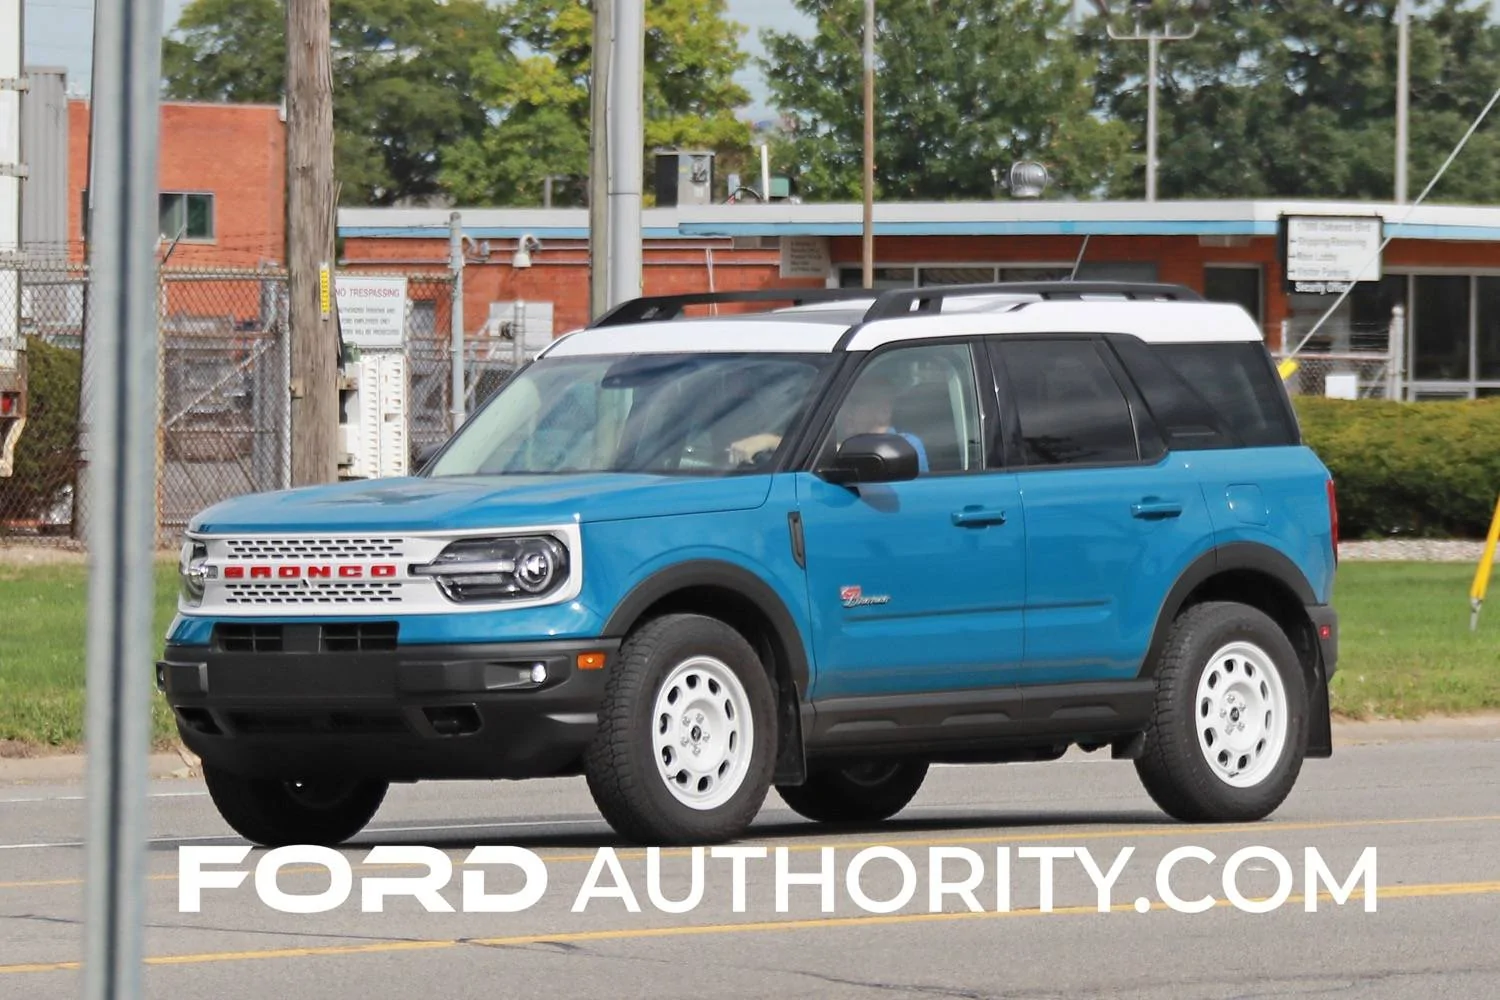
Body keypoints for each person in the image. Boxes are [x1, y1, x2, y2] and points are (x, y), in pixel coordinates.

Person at [727, 369, 929, 473]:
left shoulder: (908, 446)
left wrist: (770, 441)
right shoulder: (837, 441)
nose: (845, 410)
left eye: (856, 402)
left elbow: (855, 455)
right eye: (844, 403)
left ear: (883, 411)